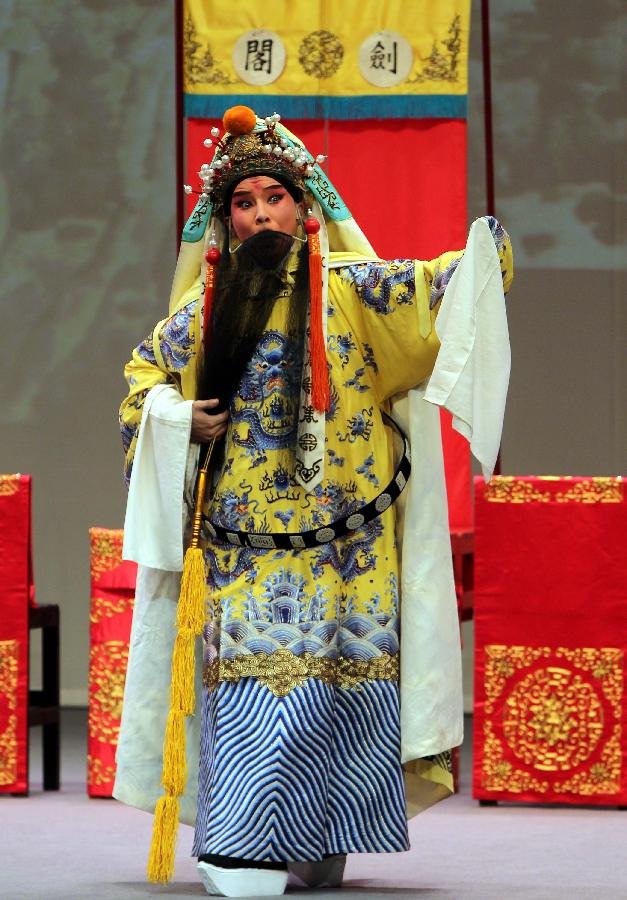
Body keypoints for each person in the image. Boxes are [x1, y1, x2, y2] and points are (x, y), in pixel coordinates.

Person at [114, 105, 513, 898]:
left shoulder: (352, 291)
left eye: (275, 197)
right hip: (242, 551)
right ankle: (244, 845)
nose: (261, 212)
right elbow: (141, 384)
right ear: (225, 221)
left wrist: (482, 251)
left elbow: (439, 287)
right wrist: (172, 416)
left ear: (304, 205)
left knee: (338, 685)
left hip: (346, 551)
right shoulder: (207, 311)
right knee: (264, 689)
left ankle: (322, 837)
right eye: (244, 202)